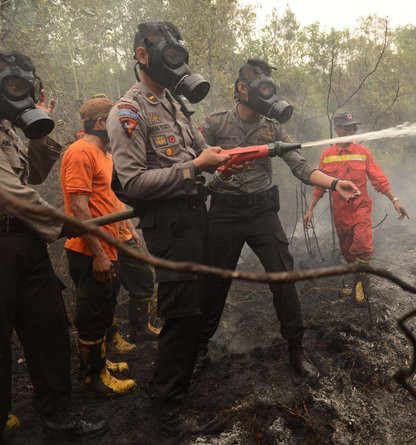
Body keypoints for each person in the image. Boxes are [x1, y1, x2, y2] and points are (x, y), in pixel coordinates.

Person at [198, 59, 361, 380]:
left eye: (270, 88)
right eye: (261, 87)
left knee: (284, 278)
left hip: (261, 213)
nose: (267, 94)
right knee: (213, 283)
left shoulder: (272, 127)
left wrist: (334, 183)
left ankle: (296, 350)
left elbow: (300, 166)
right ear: (242, 89)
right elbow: (194, 164)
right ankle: (199, 348)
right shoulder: (214, 124)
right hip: (224, 214)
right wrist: (216, 170)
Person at [108, 21, 232, 435]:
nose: (175, 63)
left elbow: (200, 152)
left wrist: (220, 161)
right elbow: (133, 182)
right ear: (143, 55)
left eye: (180, 56)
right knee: (181, 313)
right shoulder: (129, 110)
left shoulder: (174, 104)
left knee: (202, 303)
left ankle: (178, 387)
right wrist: (196, 167)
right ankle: (166, 407)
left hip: (196, 216)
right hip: (168, 224)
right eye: (167, 55)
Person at [0, 50, 108, 441]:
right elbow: (11, 194)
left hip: (25, 243)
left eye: (27, 89)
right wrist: (65, 223)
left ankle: (58, 417)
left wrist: (39, 138)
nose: (22, 97)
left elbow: (30, 176)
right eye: (13, 87)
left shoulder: (7, 131)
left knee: (48, 329)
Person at [61, 96, 136, 396]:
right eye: (116, 120)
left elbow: (109, 201)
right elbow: (79, 209)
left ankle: (101, 364)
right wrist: (99, 254)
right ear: (102, 123)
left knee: (103, 308)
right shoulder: (80, 153)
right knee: (91, 316)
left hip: (108, 248)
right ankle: (93, 378)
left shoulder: (105, 154)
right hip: (89, 250)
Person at [303, 111, 408, 304]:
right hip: (341, 213)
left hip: (361, 209)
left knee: (362, 245)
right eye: (348, 127)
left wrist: (395, 200)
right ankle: (348, 276)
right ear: (337, 130)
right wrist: (310, 209)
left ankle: (360, 285)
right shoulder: (326, 156)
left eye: (354, 127)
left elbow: (378, 179)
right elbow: (320, 186)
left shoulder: (363, 153)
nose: (353, 130)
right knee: (348, 251)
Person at [115, 199, 161, 343]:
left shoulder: (110, 176)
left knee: (143, 276)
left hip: (123, 238)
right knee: (107, 290)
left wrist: (131, 229)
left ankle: (141, 330)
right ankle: (112, 338)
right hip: (105, 238)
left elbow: (117, 203)